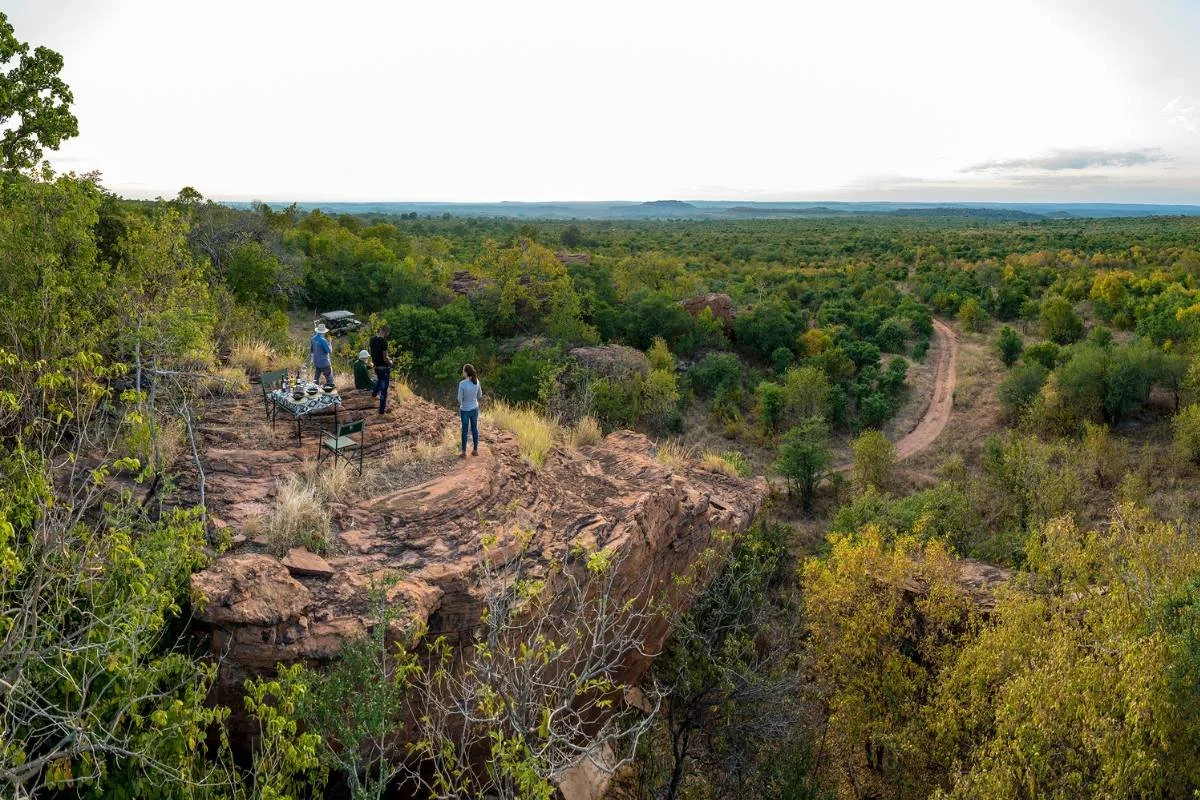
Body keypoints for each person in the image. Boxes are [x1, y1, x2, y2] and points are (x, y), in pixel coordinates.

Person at [458, 363, 482, 457]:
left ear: (466, 372)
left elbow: (460, 399)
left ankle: (464, 452)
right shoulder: (477, 381)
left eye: (463, 371)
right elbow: (480, 395)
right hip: (474, 408)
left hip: (465, 409)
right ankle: (475, 450)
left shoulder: (462, 384)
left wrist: (465, 400)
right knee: (474, 429)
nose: (462, 372)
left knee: (464, 430)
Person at [369, 324, 392, 414]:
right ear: (386, 332)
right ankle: (381, 411)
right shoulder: (384, 342)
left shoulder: (372, 339)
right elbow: (385, 358)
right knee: (384, 391)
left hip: (376, 367)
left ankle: (374, 395)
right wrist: (390, 362)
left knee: (379, 381)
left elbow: (375, 353)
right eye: (388, 333)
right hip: (383, 368)